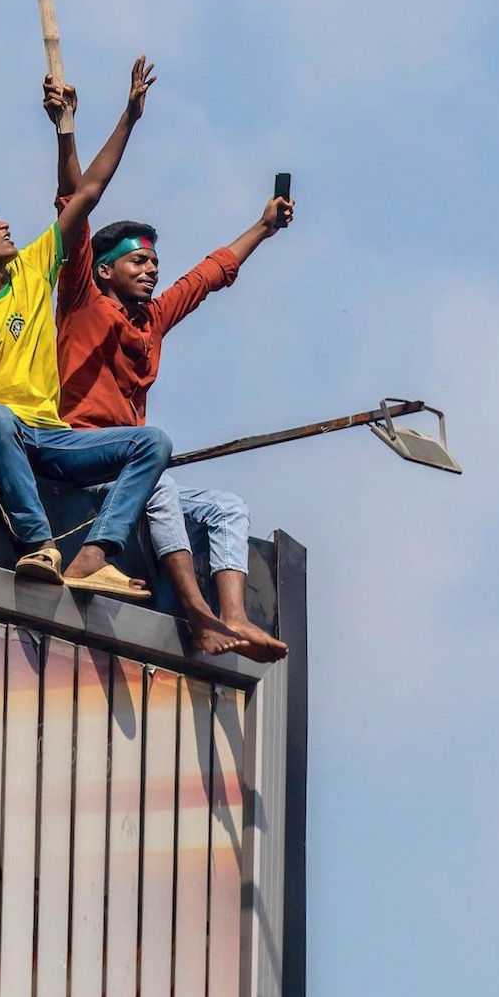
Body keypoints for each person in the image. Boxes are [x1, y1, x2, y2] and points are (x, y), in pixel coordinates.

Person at [0, 61, 168, 599]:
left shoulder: (33, 270)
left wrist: (117, 117)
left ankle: (94, 556)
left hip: (51, 437)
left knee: (152, 443)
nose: (2, 224)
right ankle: (41, 546)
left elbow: (87, 192)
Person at [54, 190, 293, 660]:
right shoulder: (82, 301)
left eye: (154, 263)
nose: (151, 270)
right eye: (138, 261)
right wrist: (68, 132)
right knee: (158, 482)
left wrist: (265, 227)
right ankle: (197, 615)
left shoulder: (152, 320)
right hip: (82, 456)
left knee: (228, 508)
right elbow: (73, 212)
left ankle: (234, 617)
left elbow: (207, 276)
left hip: (129, 469)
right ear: (104, 270)